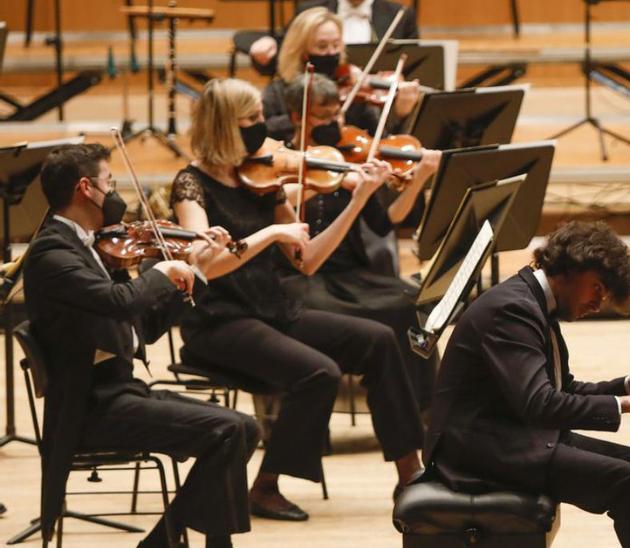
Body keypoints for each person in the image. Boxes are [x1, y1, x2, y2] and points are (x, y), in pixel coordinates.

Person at [170, 78, 424, 521]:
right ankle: (265, 487)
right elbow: (203, 266)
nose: (261, 127)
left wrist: (358, 199)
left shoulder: (260, 179)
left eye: (259, 117)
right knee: (318, 372)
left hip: (269, 309)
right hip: (218, 321)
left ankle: (411, 474)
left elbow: (308, 260)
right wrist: (269, 234)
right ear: (224, 125)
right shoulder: (191, 186)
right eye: (250, 120)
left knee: (380, 340)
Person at [25, 143, 258, 547]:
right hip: (89, 409)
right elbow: (122, 301)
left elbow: (142, 329)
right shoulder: (52, 253)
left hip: (121, 393)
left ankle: (165, 540)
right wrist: (164, 270)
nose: (114, 192)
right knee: (225, 430)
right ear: (85, 187)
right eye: (108, 182)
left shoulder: (91, 247)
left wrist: (197, 268)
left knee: (244, 427)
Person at [422, 221, 630, 548]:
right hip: (478, 450)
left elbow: (559, 390)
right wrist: (623, 406)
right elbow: (539, 405)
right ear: (573, 268)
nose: (599, 303)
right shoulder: (513, 310)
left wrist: (629, 385)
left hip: (511, 432)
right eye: (598, 288)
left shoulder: (535, 301)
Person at [279, 72, 444, 412]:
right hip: (302, 278)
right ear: (298, 116)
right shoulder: (281, 161)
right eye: (324, 117)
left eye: (338, 114)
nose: (335, 123)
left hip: (352, 273)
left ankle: (426, 409)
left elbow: (385, 222)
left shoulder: (347, 158)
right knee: (390, 313)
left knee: (413, 301)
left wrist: (419, 179)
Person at [261, 7, 421, 143]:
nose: (331, 52)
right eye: (322, 46)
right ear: (301, 51)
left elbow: (380, 142)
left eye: (336, 45)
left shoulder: (354, 91)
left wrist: (401, 116)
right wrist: (306, 119)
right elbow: (265, 129)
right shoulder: (277, 91)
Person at [239, 0, 419, 77]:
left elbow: (414, 67)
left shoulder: (400, 15)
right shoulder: (310, 10)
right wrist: (262, 47)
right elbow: (282, 59)